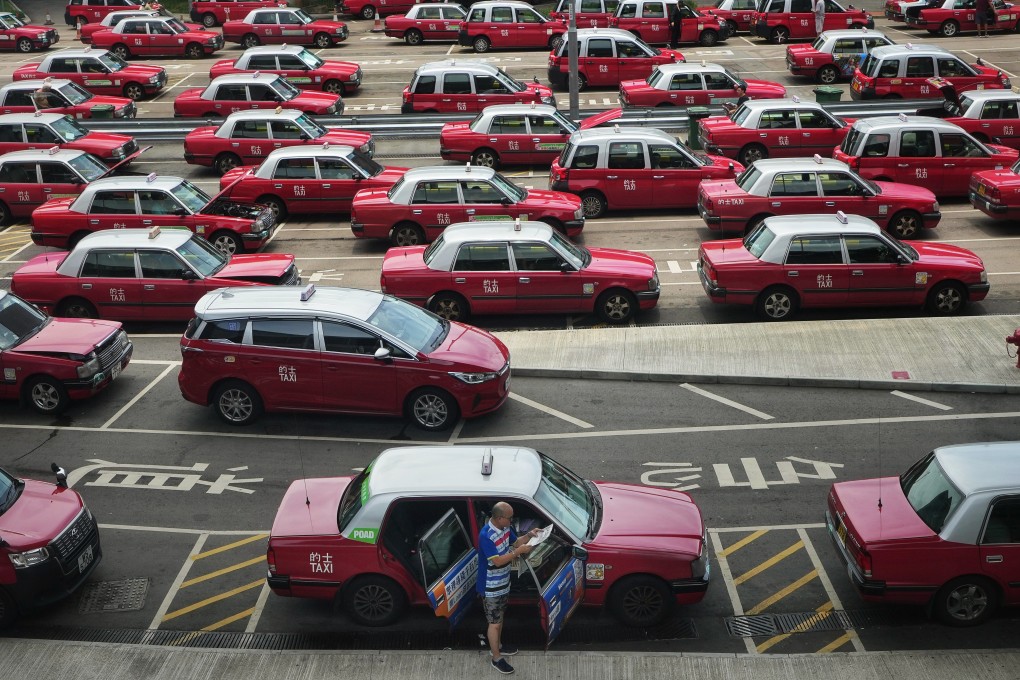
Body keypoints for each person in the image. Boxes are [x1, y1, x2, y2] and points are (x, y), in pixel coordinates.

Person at [477, 502, 539, 675]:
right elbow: (496, 561)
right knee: (494, 624)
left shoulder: (504, 528)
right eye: (509, 518)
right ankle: (496, 658)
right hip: (491, 587)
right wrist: (518, 552)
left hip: (503, 582)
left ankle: (499, 646)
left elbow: (516, 541)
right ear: (499, 518)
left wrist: (529, 535)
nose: (512, 521)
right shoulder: (486, 535)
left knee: (499, 618)